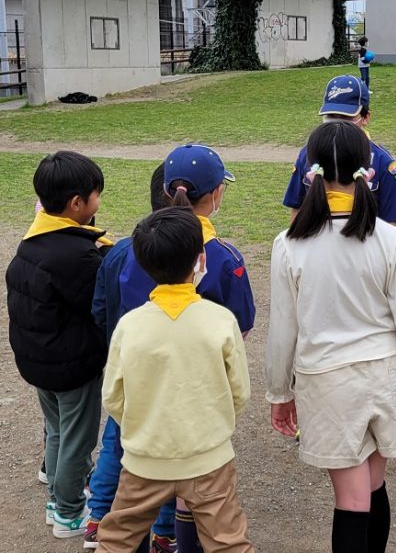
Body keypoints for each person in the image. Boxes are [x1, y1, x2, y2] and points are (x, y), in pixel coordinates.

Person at [266, 121, 396, 553]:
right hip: (383, 376)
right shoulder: (392, 239)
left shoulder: (289, 244)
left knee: (353, 498)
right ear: (367, 169)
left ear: (310, 170)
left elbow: (283, 328)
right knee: (372, 487)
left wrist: (279, 393)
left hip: (327, 381)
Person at [97, 207, 252, 553]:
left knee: (117, 540)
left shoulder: (130, 325)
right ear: (201, 260)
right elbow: (239, 392)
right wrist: (213, 426)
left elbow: (114, 397)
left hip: (144, 458)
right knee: (228, 541)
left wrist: (143, 427)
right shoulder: (221, 321)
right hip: (208, 458)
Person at [7, 151, 111, 539]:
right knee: (78, 440)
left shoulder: (33, 242)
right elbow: (98, 300)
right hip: (72, 367)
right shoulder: (76, 255)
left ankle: (56, 495)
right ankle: (68, 512)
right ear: (76, 204)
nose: (99, 203)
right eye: (96, 196)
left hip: (39, 363)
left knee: (56, 430)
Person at [84, 166, 176, 553]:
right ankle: (164, 529)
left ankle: (98, 517)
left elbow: (100, 307)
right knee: (171, 452)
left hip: (127, 370)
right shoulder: (193, 254)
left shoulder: (121, 249)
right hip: (172, 376)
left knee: (116, 439)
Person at [283, 75, 396, 227]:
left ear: (365, 117)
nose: (337, 124)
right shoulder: (308, 153)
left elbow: (392, 225)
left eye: (345, 117)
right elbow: (297, 211)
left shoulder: (382, 161)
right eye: (330, 117)